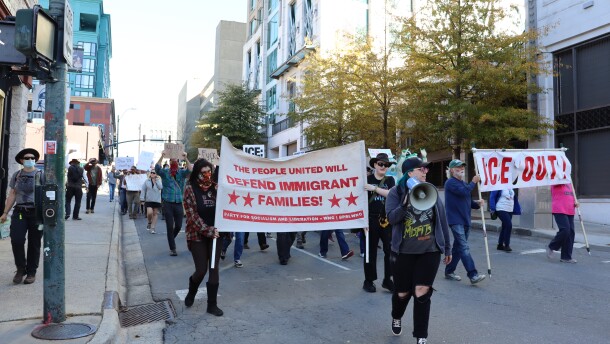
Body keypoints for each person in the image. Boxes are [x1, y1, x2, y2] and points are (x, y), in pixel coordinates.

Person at [385, 157, 451, 343]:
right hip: (403, 252)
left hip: (429, 251)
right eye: (421, 169)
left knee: (422, 291)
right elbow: (391, 219)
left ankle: (421, 336)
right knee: (402, 293)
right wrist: (405, 203)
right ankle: (396, 315)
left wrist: (447, 247)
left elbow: (442, 221)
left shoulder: (430, 190)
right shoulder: (395, 192)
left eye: (426, 169)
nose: (425, 172)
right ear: (409, 173)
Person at [182, 159, 223, 315]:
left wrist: (222, 193)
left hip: (217, 234)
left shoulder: (216, 187)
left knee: (214, 268)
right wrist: (208, 230)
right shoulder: (190, 189)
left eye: (209, 172)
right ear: (197, 173)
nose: (207, 175)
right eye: (203, 172)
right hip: (197, 234)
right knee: (201, 270)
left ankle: (211, 305)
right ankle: (192, 290)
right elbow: (192, 216)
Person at [0, 148, 45, 284]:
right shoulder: (17, 175)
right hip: (20, 212)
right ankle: (20, 269)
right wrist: (5, 212)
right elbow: (12, 194)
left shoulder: (41, 174)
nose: (30, 160)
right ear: (21, 160)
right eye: (27, 158)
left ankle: (31, 272)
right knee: (17, 240)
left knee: (34, 243)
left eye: (32, 158)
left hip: (36, 213)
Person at [443, 159, 486, 284]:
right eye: (457, 167)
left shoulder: (463, 184)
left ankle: (449, 271)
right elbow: (464, 192)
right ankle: (473, 274)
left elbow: (467, 200)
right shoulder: (450, 183)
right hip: (455, 220)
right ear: (451, 170)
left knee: (458, 248)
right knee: (464, 247)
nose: (461, 169)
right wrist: (473, 182)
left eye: (462, 167)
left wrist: (478, 204)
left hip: (465, 220)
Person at [362, 153, 396, 293]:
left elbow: (392, 195)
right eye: (381, 164)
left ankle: (388, 280)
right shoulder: (366, 179)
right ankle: (368, 280)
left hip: (386, 220)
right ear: (375, 165)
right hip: (370, 219)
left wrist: (374, 189)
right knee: (371, 252)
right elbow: (360, 200)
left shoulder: (390, 180)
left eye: (386, 165)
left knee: (390, 251)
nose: (383, 167)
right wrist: (362, 221)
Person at [155, 152, 192, 256]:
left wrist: (186, 158)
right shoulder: (165, 172)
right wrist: (162, 155)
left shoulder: (181, 173)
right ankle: (173, 248)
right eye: (172, 160)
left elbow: (190, 170)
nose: (174, 161)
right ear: (170, 162)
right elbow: (157, 168)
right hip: (167, 202)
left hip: (178, 202)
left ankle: (171, 237)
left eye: (176, 160)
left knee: (179, 225)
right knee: (170, 226)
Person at [546, 183, 578, 263]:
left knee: (570, 233)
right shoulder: (557, 180)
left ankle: (566, 257)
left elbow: (571, 195)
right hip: (559, 209)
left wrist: (575, 201)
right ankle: (552, 246)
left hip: (570, 209)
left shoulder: (570, 183)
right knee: (565, 230)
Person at [489, 188, 521, 252]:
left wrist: (518, 208)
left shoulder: (511, 187)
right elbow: (492, 196)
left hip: (509, 209)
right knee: (509, 225)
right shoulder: (499, 185)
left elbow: (514, 198)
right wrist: (492, 208)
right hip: (501, 208)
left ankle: (500, 245)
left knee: (505, 226)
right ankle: (507, 245)